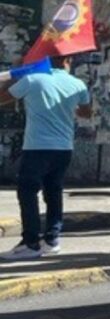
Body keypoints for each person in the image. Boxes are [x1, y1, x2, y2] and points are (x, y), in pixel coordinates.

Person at [1, 55, 90, 261]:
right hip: (64, 148)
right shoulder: (77, 83)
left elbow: (3, 98)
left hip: (37, 147)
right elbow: (86, 112)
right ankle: (51, 239)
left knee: (27, 192)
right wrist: (64, 106)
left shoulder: (34, 80)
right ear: (67, 61)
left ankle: (31, 241)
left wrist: (14, 74)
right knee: (54, 192)